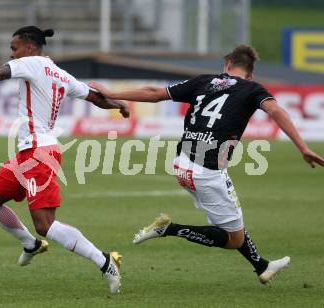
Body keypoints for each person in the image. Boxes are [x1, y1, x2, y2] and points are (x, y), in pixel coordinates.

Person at [89, 44, 324, 284]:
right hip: (207, 172)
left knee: (230, 221)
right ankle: (169, 228)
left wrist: (113, 94)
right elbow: (275, 111)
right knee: (234, 239)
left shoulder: (203, 81)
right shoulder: (253, 89)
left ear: (228, 64)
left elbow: (154, 92)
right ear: (250, 73)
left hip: (182, 164)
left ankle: (262, 266)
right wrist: (303, 147)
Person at [0, 26, 128, 294]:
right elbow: (96, 98)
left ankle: (105, 261)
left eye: (14, 48)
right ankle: (31, 245)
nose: (12, 54)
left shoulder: (31, 63)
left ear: (30, 47)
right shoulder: (60, 73)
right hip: (27, 154)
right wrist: (118, 103)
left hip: (40, 154)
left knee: (45, 224)